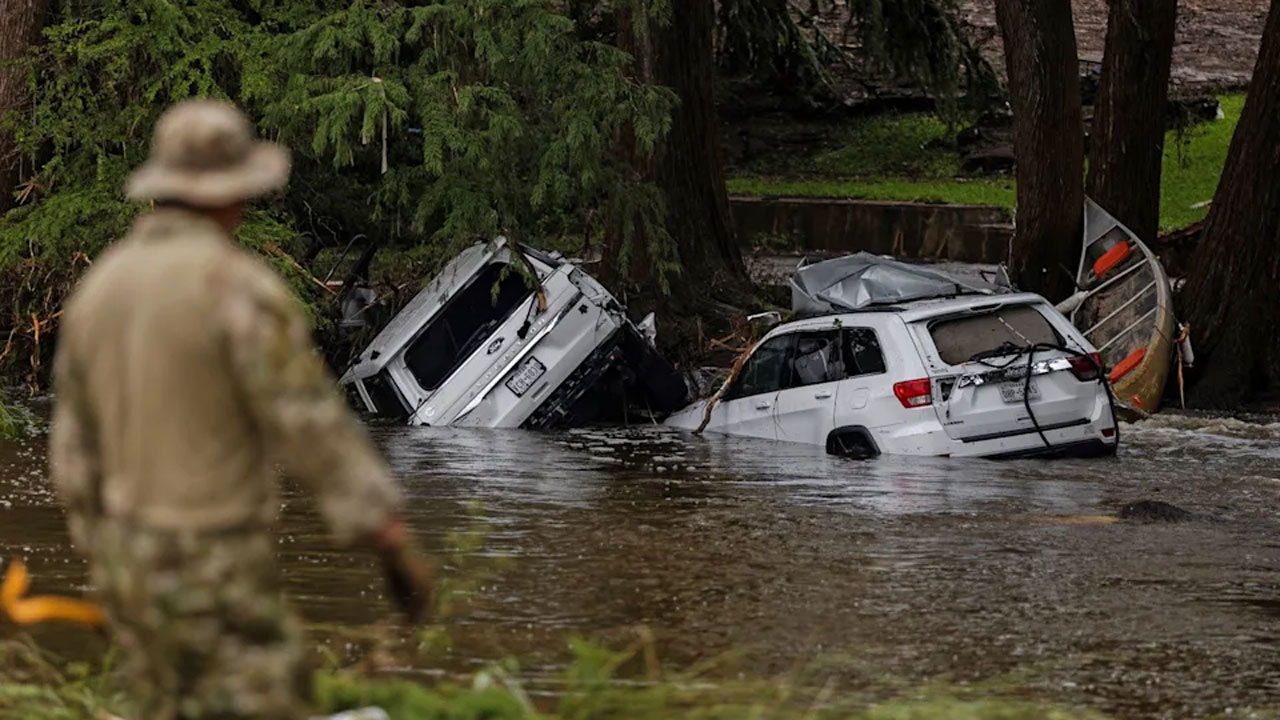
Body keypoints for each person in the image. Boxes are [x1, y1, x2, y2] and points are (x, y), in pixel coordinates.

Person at [48, 99, 434, 720]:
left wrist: (105, 548)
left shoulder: (100, 290)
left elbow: (70, 453)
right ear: (233, 195)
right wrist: (385, 532)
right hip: (214, 561)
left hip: (126, 561)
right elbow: (309, 423)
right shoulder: (236, 287)